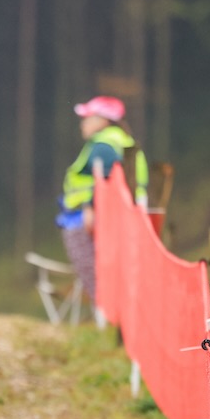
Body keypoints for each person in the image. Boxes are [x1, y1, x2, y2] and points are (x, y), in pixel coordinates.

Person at [56, 95, 148, 305]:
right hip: (123, 214)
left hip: (97, 217)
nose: (83, 123)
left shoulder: (103, 146)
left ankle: (106, 308)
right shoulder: (118, 139)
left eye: (87, 117)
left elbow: (107, 181)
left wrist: (90, 209)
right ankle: (109, 309)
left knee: (92, 266)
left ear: (102, 120)